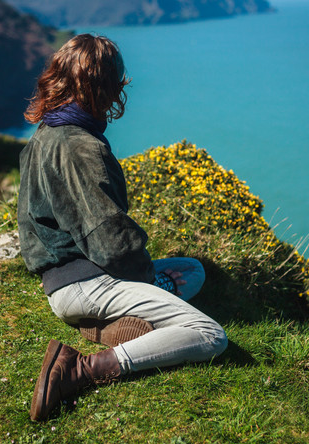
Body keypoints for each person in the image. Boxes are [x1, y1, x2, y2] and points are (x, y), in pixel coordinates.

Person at [17, 34, 228, 421]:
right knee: (210, 335)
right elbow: (113, 244)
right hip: (90, 283)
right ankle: (79, 369)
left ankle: (104, 327)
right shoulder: (82, 147)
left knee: (193, 269)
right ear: (108, 88)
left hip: (63, 282)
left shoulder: (42, 137)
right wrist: (149, 278)